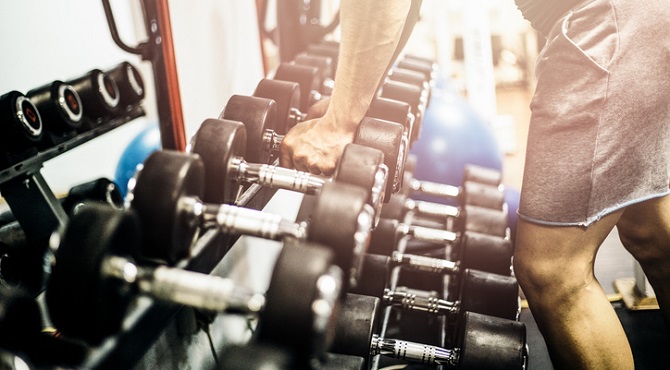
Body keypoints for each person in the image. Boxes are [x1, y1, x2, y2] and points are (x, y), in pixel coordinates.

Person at [281, 1, 670, 369]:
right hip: (647, 18)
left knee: (552, 272)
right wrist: (349, 103)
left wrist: (340, 123)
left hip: (609, 27)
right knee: (652, 237)